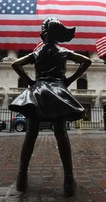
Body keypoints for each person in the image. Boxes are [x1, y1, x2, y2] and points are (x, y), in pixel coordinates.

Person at [8, 17, 92, 196]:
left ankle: (21, 177)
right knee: (61, 133)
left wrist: (31, 82)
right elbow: (87, 61)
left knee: (31, 133)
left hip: (38, 92)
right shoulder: (63, 52)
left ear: (43, 36)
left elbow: (15, 64)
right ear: (57, 37)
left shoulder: (37, 53)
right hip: (58, 92)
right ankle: (68, 180)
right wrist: (69, 80)